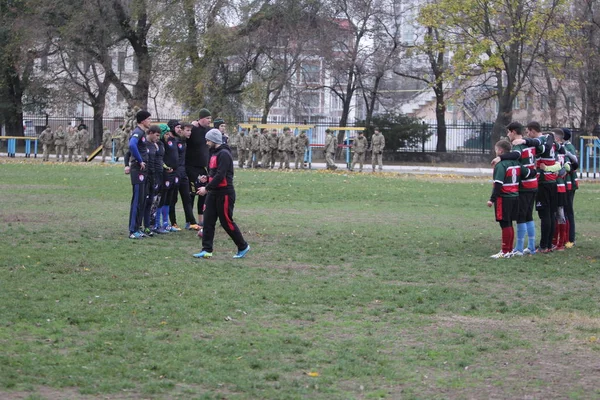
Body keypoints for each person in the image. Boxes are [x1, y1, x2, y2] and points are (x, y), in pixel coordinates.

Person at [193, 129, 250, 259]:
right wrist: (206, 179)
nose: (206, 143)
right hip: (214, 192)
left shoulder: (224, 154)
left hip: (224, 193)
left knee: (226, 222)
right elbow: (214, 173)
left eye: (208, 140)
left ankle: (243, 246)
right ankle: (206, 249)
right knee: (208, 221)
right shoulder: (213, 153)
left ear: (214, 140)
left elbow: (221, 175)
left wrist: (206, 188)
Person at [494, 122, 540, 255]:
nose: (508, 135)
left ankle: (520, 248)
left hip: (525, 185)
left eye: (508, 132)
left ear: (513, 132)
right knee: (528, 216)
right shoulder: (530, 143)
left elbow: (516, 156)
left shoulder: (518, 144)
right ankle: (530, 246)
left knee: (521, 216)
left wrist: (500, 158)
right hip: (533, 183)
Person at [514, 121, 557, 253]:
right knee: (551, 214)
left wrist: (523, 142)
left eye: (528, 132)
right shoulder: (549, 140)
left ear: (532, 130)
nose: (527, 135)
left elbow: (538, 145)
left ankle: (544, 246)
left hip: (543, 182)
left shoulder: (541, 140)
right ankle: (549, 244)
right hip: (552, 182)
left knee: (545, 215)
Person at [487, 140, 521, 258]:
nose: (495, 152)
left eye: (496, 150)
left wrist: (492, 199)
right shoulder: (515, 162)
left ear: (500, 151)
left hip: (504, 198)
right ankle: (509, 250)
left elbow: (498, 184)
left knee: (504, 223)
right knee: (509, 223)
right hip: (515, 196)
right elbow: (526, 173)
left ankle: (505, 251)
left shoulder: (501, 165)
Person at [127, 110, 152, 239]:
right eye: (149, 119)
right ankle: (132, 231)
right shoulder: (137, 132)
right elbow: (131, 145)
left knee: (142, 200)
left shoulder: (142, 133)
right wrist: (140, 160)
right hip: (138, 170)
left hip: (143, 170)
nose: (150, 122)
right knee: (137, 200)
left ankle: (137, 228)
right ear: (143, 121)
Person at [187, 108, 212, 228]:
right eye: (207, 118)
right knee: (192, 193)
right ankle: (189, 221)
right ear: (201, 118)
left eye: (210, 118)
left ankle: (201, 220)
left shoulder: (208, 130)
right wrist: (191, 125)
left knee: (204, 193)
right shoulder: (193, 129)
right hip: (191, 166)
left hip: (203, 167)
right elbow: (181, 132)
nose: (209, 121)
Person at [561, 128, 578, 247]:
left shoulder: (568, 147)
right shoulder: (563, 146)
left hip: (569, 183)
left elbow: (573, 164)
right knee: (565, 211)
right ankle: (565, 237)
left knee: (568, 210)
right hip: (565, 183)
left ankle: (570, 239)